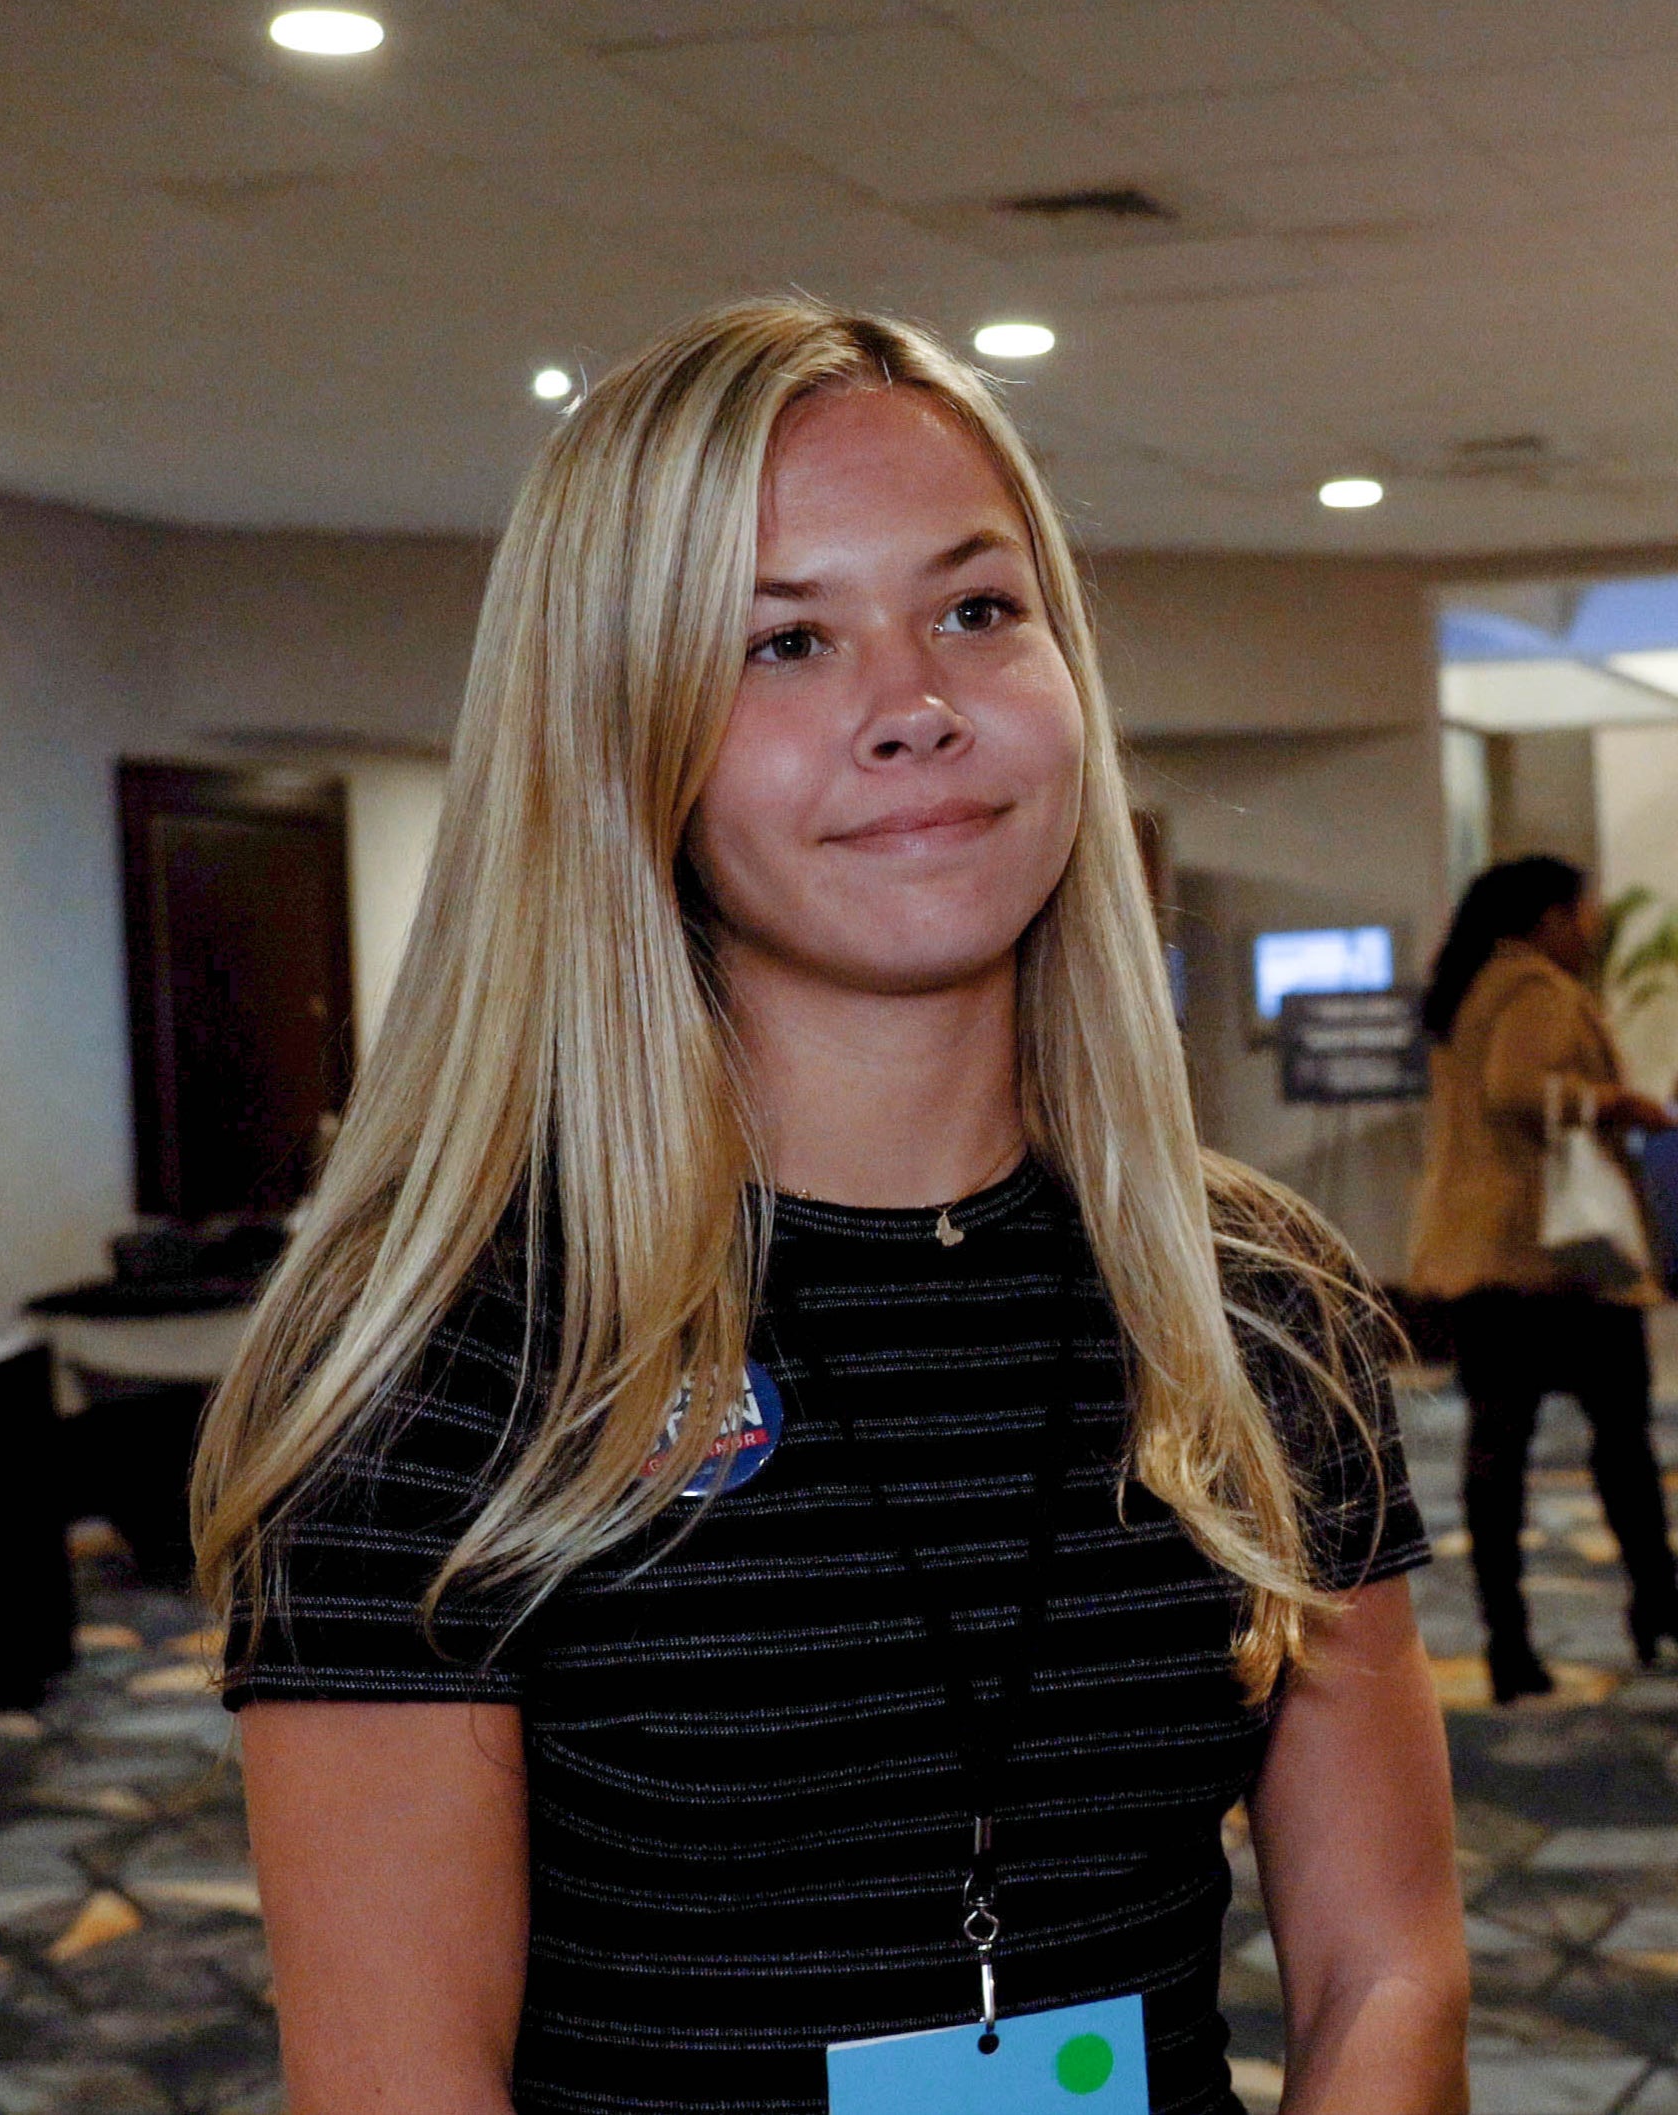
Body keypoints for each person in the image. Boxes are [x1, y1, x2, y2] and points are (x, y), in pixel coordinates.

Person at [192, 298, 1469, 2115]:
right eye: (781, 641)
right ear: (621, 737)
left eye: (974, 609)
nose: (915, 709)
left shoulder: (1251, 1299)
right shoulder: (444, 1356)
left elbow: (1386, 1972)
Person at [1407, 856, 1678, 1703]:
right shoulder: (1534, 987)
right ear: (1547, 917)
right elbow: (1520, 1090)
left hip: (1485, 1258)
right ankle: (1657, 1599)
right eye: (1583, 912)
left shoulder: (1471, 986)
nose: (1592, 927)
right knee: (1621, 1439)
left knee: (1496, 1453)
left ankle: (1511, 1638)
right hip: (1553, 1260)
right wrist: (1617, 1102)